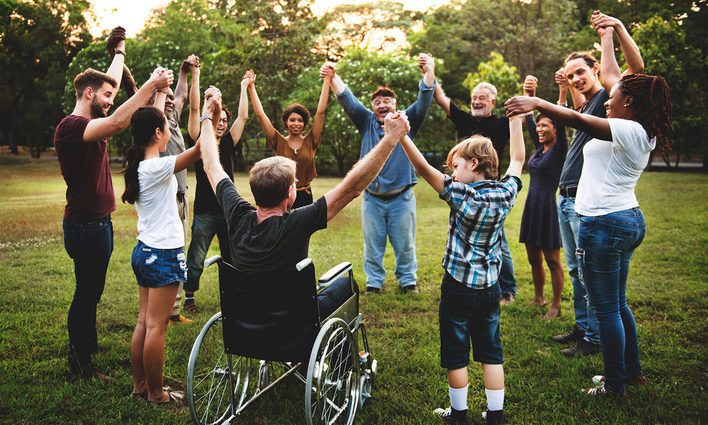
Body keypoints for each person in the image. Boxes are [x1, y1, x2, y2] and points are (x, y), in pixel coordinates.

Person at [506, 59, 672, 395]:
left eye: (615, 96)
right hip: (623, 218)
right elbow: (609, 81)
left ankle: (614, 384)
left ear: (631, 103)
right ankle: (630, 371)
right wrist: (609, 32)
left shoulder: (627, 128)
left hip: (605, 224)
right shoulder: (638, 129)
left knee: (607, 308)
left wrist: (538, 102)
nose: (608, 100)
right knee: (618, 304)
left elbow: (579, 119)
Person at [197, 87, 412, 312]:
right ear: (291, 193)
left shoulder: (237, 214)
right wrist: (390, 139)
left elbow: (211, 165)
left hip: (246, 317)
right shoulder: (297, 223)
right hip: (293, 320)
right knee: (347, 285)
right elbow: (352, 188)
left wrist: (207, 114)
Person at [54, 28, 173, 380]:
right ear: (88, 93)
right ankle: (80, 365)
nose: (111, 100)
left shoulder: (90, 120)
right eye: (105, 96)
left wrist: (119, 53)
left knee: (92, 289)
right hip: (85, 226)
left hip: (98, 223)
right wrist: (151, 85)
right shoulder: (72, 126)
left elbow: (113, 91)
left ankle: (86, 347)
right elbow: (121, 119)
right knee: (87, 293)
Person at [397, 111, 525, 424]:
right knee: (491, 349)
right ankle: (495, 417)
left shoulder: (461, 194)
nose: (452, 172)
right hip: (491, 287)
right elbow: (519, 159)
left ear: (474, 164)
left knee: (456, 351)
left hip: (458, 286)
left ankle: (459, 414)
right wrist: (517, 119)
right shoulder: (506, 192)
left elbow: (421, 168)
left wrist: (401, 135)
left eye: (456, 166)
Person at [549, 11, 644, 357]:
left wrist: (611, 31)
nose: (576, 78)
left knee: (593, 280)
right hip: (569, 196)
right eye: (571, 74)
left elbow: (628, 72)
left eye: (581, 73)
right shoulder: (595, 103)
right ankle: (584, 327)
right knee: (577, 272)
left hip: (591, 207)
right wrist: (564, 86)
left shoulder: (610, 103)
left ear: (596, 72)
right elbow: (575, 107)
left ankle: (594, 339)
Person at [323, 53, 436, 294]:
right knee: (372, 245)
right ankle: (374, 283)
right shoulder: (365, 122)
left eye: (387, 101)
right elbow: (347, 99)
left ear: (394, 104)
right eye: (377, 102)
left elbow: (425, 98)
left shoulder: (407, 121)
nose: (382, 105)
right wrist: (333, 77)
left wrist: (429, 71)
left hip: (401, 198)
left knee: (405, 245)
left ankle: (408, 282)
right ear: (373, 107)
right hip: (372, 198)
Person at [122, 85, 206, 403]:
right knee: (157, 325)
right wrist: (210, 112)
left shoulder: (141, 164)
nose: (169, 129)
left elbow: (153, 121)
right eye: (165, 127)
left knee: (145, 321)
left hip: (144, 251)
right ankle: (157, 394)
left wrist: (160, 91)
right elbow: (199, 150)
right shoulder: (158, 167)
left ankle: (140, 386)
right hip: (163, 253)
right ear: (159, 133)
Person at [433, 77, 517, 305]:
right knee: (462, 236)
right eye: (474, 98)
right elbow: (440, 98)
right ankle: (465, 277)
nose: (476, 102)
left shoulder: (500, 124)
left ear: (493, 101)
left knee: (499, 241)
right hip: (462, 192)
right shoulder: (465, 120)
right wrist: (428, 73)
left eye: (481, 98)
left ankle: (507, 289)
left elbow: (520, 131)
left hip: (489, 194)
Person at [183, 73, 251, 313]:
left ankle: (233, 296)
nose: (221, 123)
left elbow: (243, 116)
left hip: (229, 211)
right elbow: (193, 110)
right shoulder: (200, 141)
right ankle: (189, 297)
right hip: (205, 212)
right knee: (196, 257)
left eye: (224, 120)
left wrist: (244, 87)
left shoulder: (230, 142)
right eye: (216, 118)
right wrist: (197, 82)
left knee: (232, 257)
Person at [148, 54, 201, 325]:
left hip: (182, 194)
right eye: (164, 98)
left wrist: (183, 70)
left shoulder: (173, 119)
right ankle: (168, 311)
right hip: (168, 198)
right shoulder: (153, 126)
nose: (171, 101)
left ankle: (172, 310)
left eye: (170, 99)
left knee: (179, 249)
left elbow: (179, 94)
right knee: (171, 251)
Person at [518, 75, 568, 319]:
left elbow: (560, 117)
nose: (539, 128)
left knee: (552, 260)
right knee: (532, 257)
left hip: (548, 206)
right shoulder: (539, 149)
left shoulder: (559, 149)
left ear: (555, 130)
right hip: (531, 205)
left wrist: (562, 91)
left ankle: (556, 305)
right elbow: (528, 119)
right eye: (538, 126)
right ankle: (539, 297)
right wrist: (530, 92)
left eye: (544, 125)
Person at [247, 67, 331, 208]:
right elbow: (261, 115)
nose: (296, 123)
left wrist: (327, 81)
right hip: (282, 195)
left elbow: (321, 112)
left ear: (304, 123)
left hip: (305, 195)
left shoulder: (311, 141)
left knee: (304, 230)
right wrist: (251, 87)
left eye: (300, 120)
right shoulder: (278, 141)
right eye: (292, 120)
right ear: (286, 122)